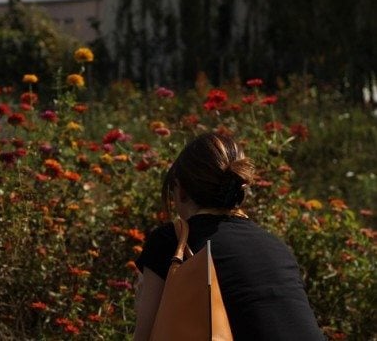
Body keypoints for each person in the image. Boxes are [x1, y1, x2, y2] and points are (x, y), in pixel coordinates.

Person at [133, 132, 324, 340]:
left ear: (181, 191)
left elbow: (144, 335)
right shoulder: (274, 245)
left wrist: (141, 301)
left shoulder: (170, 241)